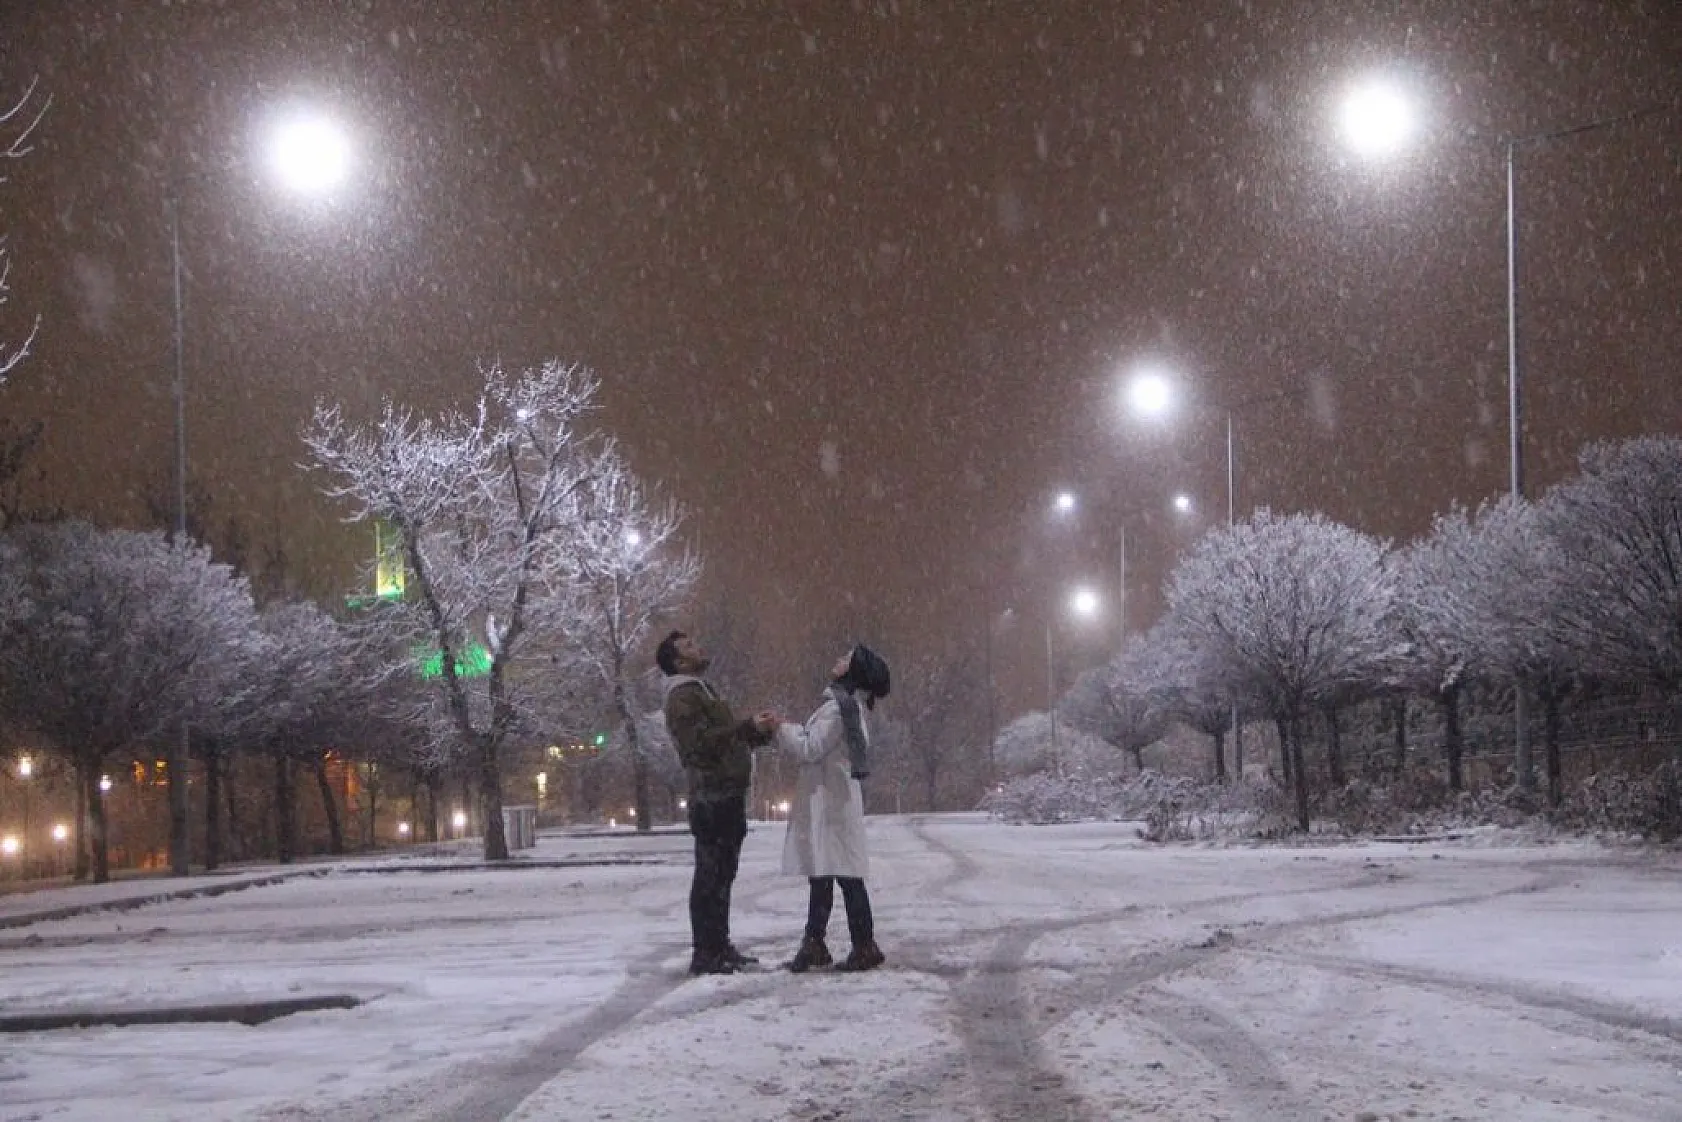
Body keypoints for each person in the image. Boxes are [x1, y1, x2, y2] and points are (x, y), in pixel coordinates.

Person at [658, 629, 778, 976]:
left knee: (723, 874)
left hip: (725, 794)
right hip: (711, 796)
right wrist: (744, 728)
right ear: (679, 663)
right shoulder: (683, 696)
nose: (698, 647)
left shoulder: (701, 691)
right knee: (710, 876)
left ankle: (719, 946)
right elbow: (699, 745)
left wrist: (755, 732)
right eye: (689, 647)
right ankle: (706, 952)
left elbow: (724, 741)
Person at [776, 643, 891, 973]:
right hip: (832, 802)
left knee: (842, 874)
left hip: (830, 804)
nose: (838, 660)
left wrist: (779, 727)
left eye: (845, 659)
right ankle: (817, 942)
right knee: (825, 872)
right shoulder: (844, 707)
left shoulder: (839, 709)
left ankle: (860, 945)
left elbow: (810, 748)